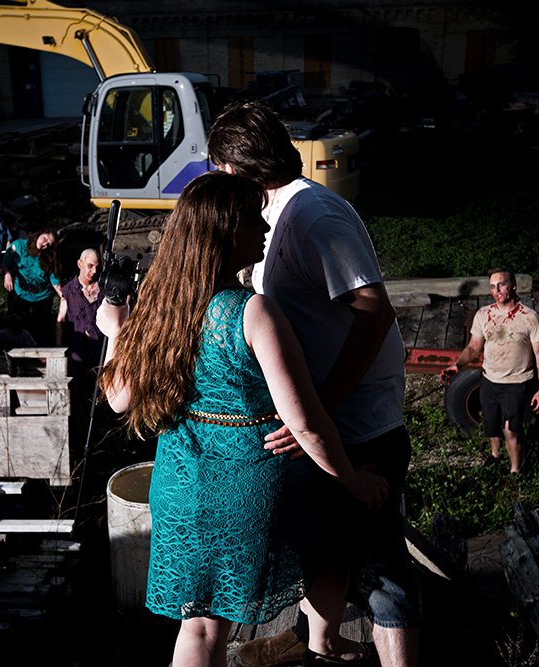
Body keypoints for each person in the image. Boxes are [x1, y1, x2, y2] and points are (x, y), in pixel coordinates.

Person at [96, 172, 388, 667]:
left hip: (180, 485)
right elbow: (308, 424)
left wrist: (115, 332)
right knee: (335, 528)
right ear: (229, 234)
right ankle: (323, 638)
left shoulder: (159, 310)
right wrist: (355, 481)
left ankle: (319, 640)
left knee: (201, 625)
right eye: (255, 220)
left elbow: (119, 400)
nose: (266, 229)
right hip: (246, 489)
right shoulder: (253, 314)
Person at [209, 101, 420, 667]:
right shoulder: (273, 215)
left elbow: (375, 312)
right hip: (325, 422)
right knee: (325, 545)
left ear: (230, 170)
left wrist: (320, 410)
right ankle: (314, 642)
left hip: (357, 422)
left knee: (381, 572)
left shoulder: (314, 215)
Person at [444, 268, 539, 474]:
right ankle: (495, 456)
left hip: (517, 383)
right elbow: (473, 347)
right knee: (491, 424)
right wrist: (458, 364)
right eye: (492, 286)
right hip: (489, 380)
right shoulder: (484, 315)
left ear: (513, 286)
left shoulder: (529, 317)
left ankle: (515, 471)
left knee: (510, 431)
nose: (497, 290)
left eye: (501, 284)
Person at [2, 228, 62, 345]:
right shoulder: (18, 246)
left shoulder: (49, 256)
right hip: (20, 292)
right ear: (40, 233)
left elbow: (54, 280)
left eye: (48, 244)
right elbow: (5, 263)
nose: (44, 244)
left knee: (42, 329)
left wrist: (64, 297)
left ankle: (41, 352)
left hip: (42, 295)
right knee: (15, 324)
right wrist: (7, 274)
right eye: (45, 239)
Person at [57, 248, 104, 371]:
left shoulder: (104, 288)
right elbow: (60, 320)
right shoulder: (68, 292)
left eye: (97, 267)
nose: (94, 271)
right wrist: (59, 349)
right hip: (78, 351)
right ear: (80, 264)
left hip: (101, 351)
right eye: (90, 266)